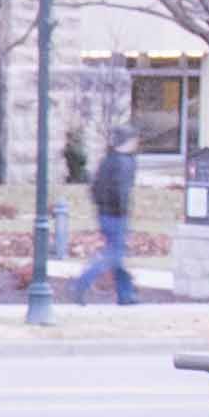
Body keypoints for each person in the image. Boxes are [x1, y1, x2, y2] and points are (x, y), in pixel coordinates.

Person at [86, 131, 139, 306]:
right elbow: (121, 191)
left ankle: (126, 295)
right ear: (127, 142)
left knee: (117, 257)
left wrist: (101, 205)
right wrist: (122, 210)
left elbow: (94, 188)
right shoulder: (124, 163)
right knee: (114, 256)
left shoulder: (107, 160)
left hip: (104, 214)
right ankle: (84, 280)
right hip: (117, 216)